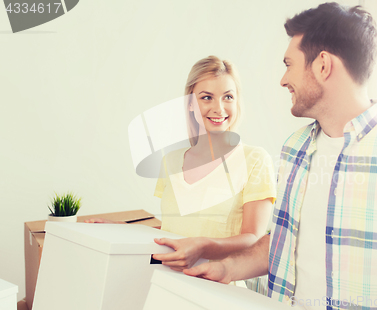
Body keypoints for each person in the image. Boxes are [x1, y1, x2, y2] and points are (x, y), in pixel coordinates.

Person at [184, 3, 377, 310]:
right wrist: (226, 268)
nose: (283, 80)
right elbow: (284, 244)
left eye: (289, 64)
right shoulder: (294, 149)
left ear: (322, 65)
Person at [88, 56, 276, 292]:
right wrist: (122, 230)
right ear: (190, 104)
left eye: (228, 97)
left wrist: (203, 247)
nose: (219, 108)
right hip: (168, 285)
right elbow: (174, 231)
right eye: (206, 97)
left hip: (219, 290)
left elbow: (253, 238)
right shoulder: (171, 161)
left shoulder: (255, 160)